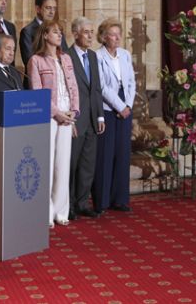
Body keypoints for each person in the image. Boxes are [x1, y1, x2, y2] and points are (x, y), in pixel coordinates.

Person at [27, 19, 79, 228]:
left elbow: (74, 88)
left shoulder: (66, 58)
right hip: (49, 117)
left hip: (68, 115)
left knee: (63, 164)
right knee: (47, 162)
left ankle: (60, 210)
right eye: (55, 32)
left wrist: (73, 112)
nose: (59, 35)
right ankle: (45, 211)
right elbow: (38, 92)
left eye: (60, 32)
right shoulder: (36, 60)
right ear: (45, 35)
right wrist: (56, 113)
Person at [94, 18, 136, 214]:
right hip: (109, 108)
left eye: (119, 33)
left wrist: (128, 104)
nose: (117, 37)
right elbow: (102, 87)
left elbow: (131, 82)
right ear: (104, 37)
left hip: (125, 104)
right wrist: (120, 106)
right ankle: (102, 202)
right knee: (106, 155)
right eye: (113, 34)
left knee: (123, 153)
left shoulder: (125, 55)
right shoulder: (98, 56)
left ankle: (121, 199)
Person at [66, 17, 105, 220]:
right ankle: (69, 205)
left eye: (92, 31)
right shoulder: (67, 56)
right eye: (86, 32)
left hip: (91, 119)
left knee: (88, 165)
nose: (90, 36)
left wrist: (99, 115)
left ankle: (82, 203)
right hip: (76, 119)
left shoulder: (92, 56)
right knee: (72, 164)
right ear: (75, 33)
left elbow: (96, 89)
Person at [19, 0, 68, 70]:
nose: (52, 12)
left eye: (54, 8)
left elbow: (65, 55)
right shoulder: (27, 31)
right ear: (38, 9)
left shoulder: (58, 30)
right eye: (48, 8)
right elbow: (29, 61)